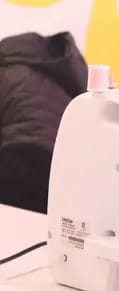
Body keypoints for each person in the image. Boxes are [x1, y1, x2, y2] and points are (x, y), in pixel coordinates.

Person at [0, 32, 87, 213]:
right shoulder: (32, 73)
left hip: (30, 203)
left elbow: (31, 155)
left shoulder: (15, 79)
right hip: (61, 198)